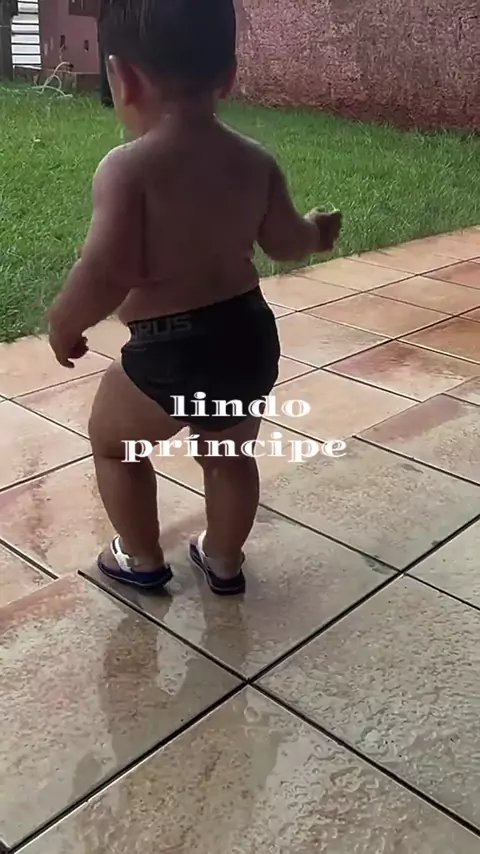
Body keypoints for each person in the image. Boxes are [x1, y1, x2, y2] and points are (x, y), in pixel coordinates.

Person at [48, 0, 341, 595]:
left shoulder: (128, 168)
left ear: (122, 78)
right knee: (229, 455)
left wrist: (64, 324)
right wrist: (316, 230)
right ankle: (224, 559)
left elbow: (106, 269)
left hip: (168, 351)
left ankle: (140, 558)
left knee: (115, 445)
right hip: (247, 337)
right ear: (228, 76)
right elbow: (285, 243)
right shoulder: (255, 161)